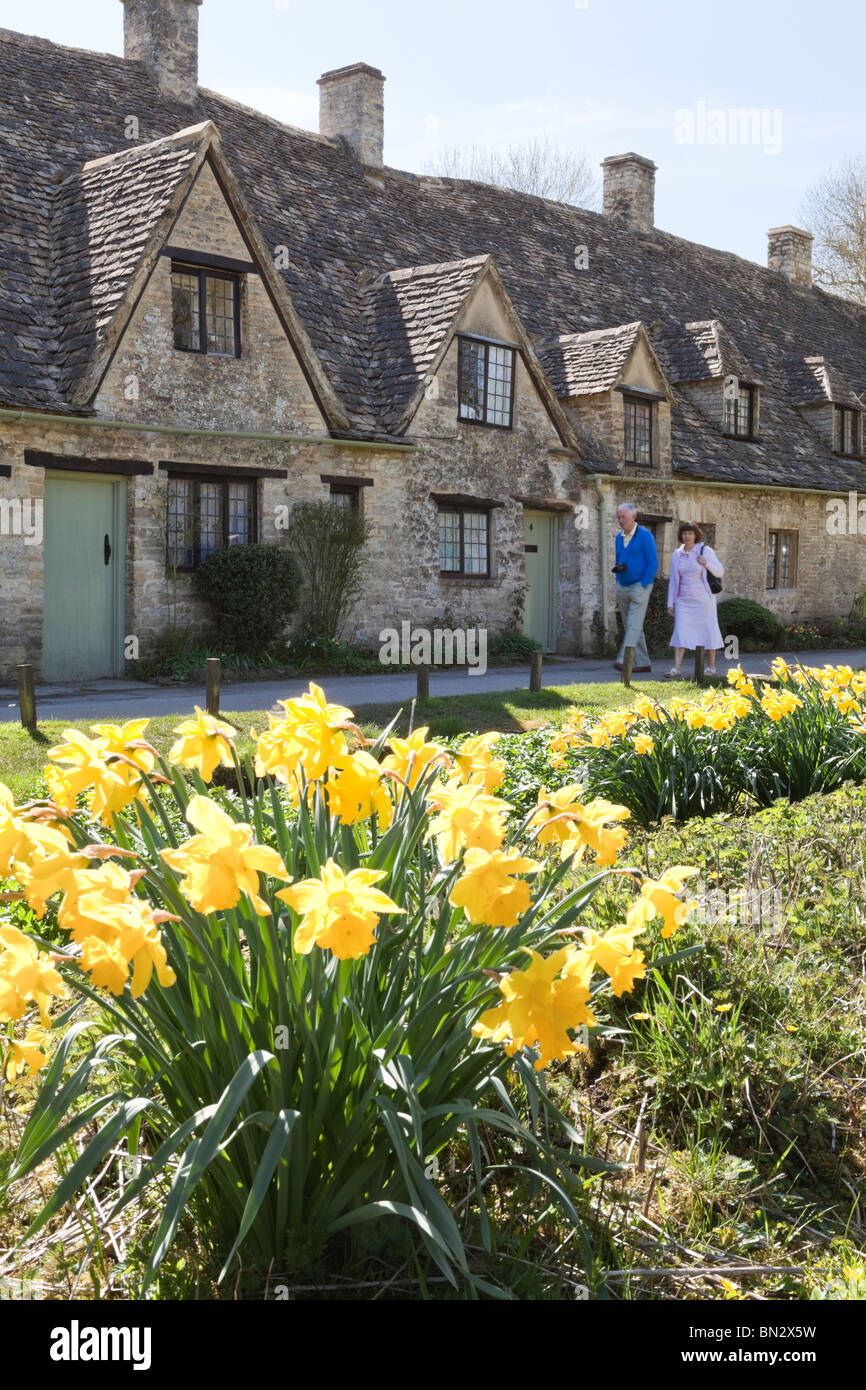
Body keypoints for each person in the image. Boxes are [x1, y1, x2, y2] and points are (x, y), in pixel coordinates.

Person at [665, 522, 724, 678]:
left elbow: (720, 572)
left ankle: (711, 667)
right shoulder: (677, 554)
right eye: (684, 533)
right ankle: (676, 668)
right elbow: (673, 580)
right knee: (680, 631)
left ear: (695, 535)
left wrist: (707, 563)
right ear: (681, 536)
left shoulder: (705, 551)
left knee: (708, 631)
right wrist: (670, 603)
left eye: (690, 533)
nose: (687, 536)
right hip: (683, 600)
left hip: (704, 601)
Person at [613, 503, 658, 674]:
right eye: (618, 517)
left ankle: (624, 660)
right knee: (632, 625)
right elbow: (618, 559)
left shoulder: (645, 536)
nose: (620, 520)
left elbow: (653, 562)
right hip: (623, 585)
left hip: (640, 585)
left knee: (633, 625)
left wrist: (644, 583)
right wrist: (618, 578)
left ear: (634, 517)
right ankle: (644, 663)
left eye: (623, 517)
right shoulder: (618, 537)